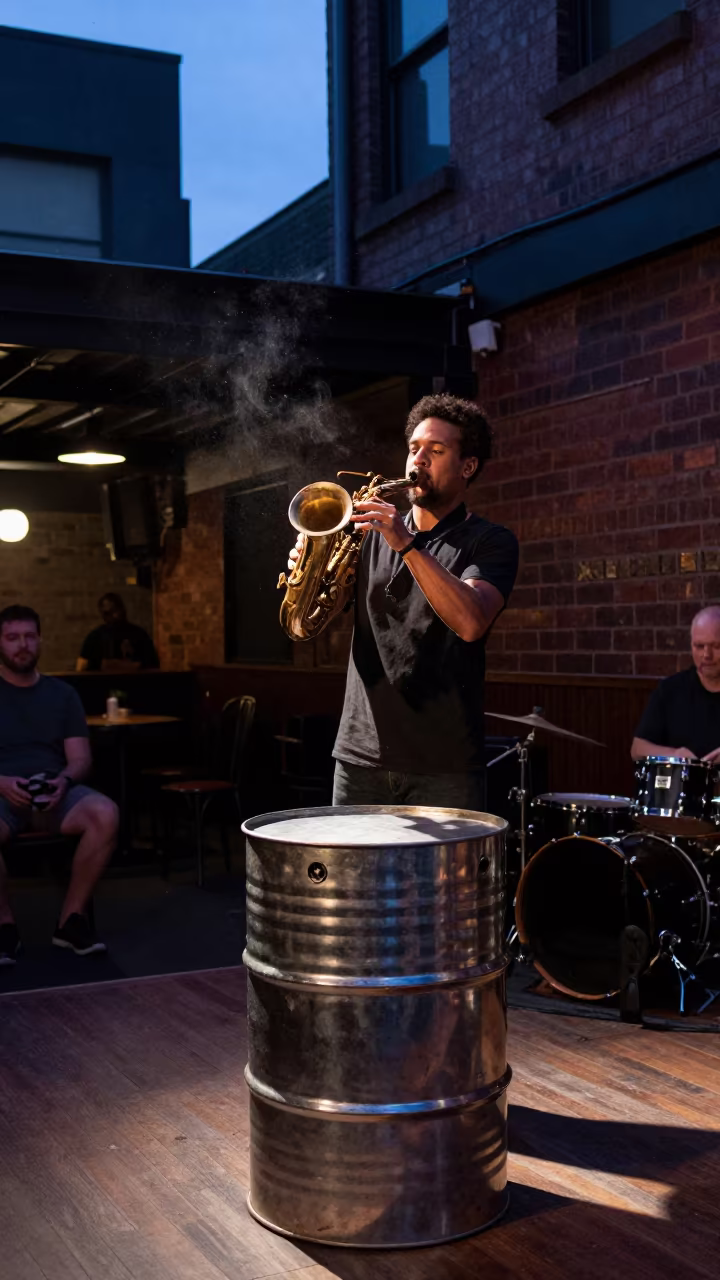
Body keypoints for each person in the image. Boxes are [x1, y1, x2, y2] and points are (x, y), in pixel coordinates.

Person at [289, 393, 519, 810]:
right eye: (414, 449)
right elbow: (314, 620)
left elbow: (471, 621)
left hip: (444, 765)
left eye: (436, 450)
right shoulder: (368, 535)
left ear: (467, 466)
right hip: (360, 757)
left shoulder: (490, 541)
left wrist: (408, 545)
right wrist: (310, 569)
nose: (419, 460)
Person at [0, 604, 118, 965]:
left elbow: (80, 758)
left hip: (54, 792)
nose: (22, 645)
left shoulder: (62, 694)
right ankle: (4, 926)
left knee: (105, 813)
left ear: (40, 640)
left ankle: (71, 920)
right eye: (12, 638)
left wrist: (63, 782)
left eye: (29, 636)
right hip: (3, 793)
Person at [631, 606, 720, 762]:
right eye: (699, 646)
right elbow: (637, 749)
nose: (706, 655)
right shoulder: (670, 690)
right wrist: (676, 755)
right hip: (682, 778)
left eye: (716, 646)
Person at [77, 592, 159, 672]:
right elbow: (81, 668)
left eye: (116, 610)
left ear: (123, 609)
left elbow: (153, 666)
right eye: (108, 613)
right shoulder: (94, 638)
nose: (115, 615)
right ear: (103, 615)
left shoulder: (139, 635)